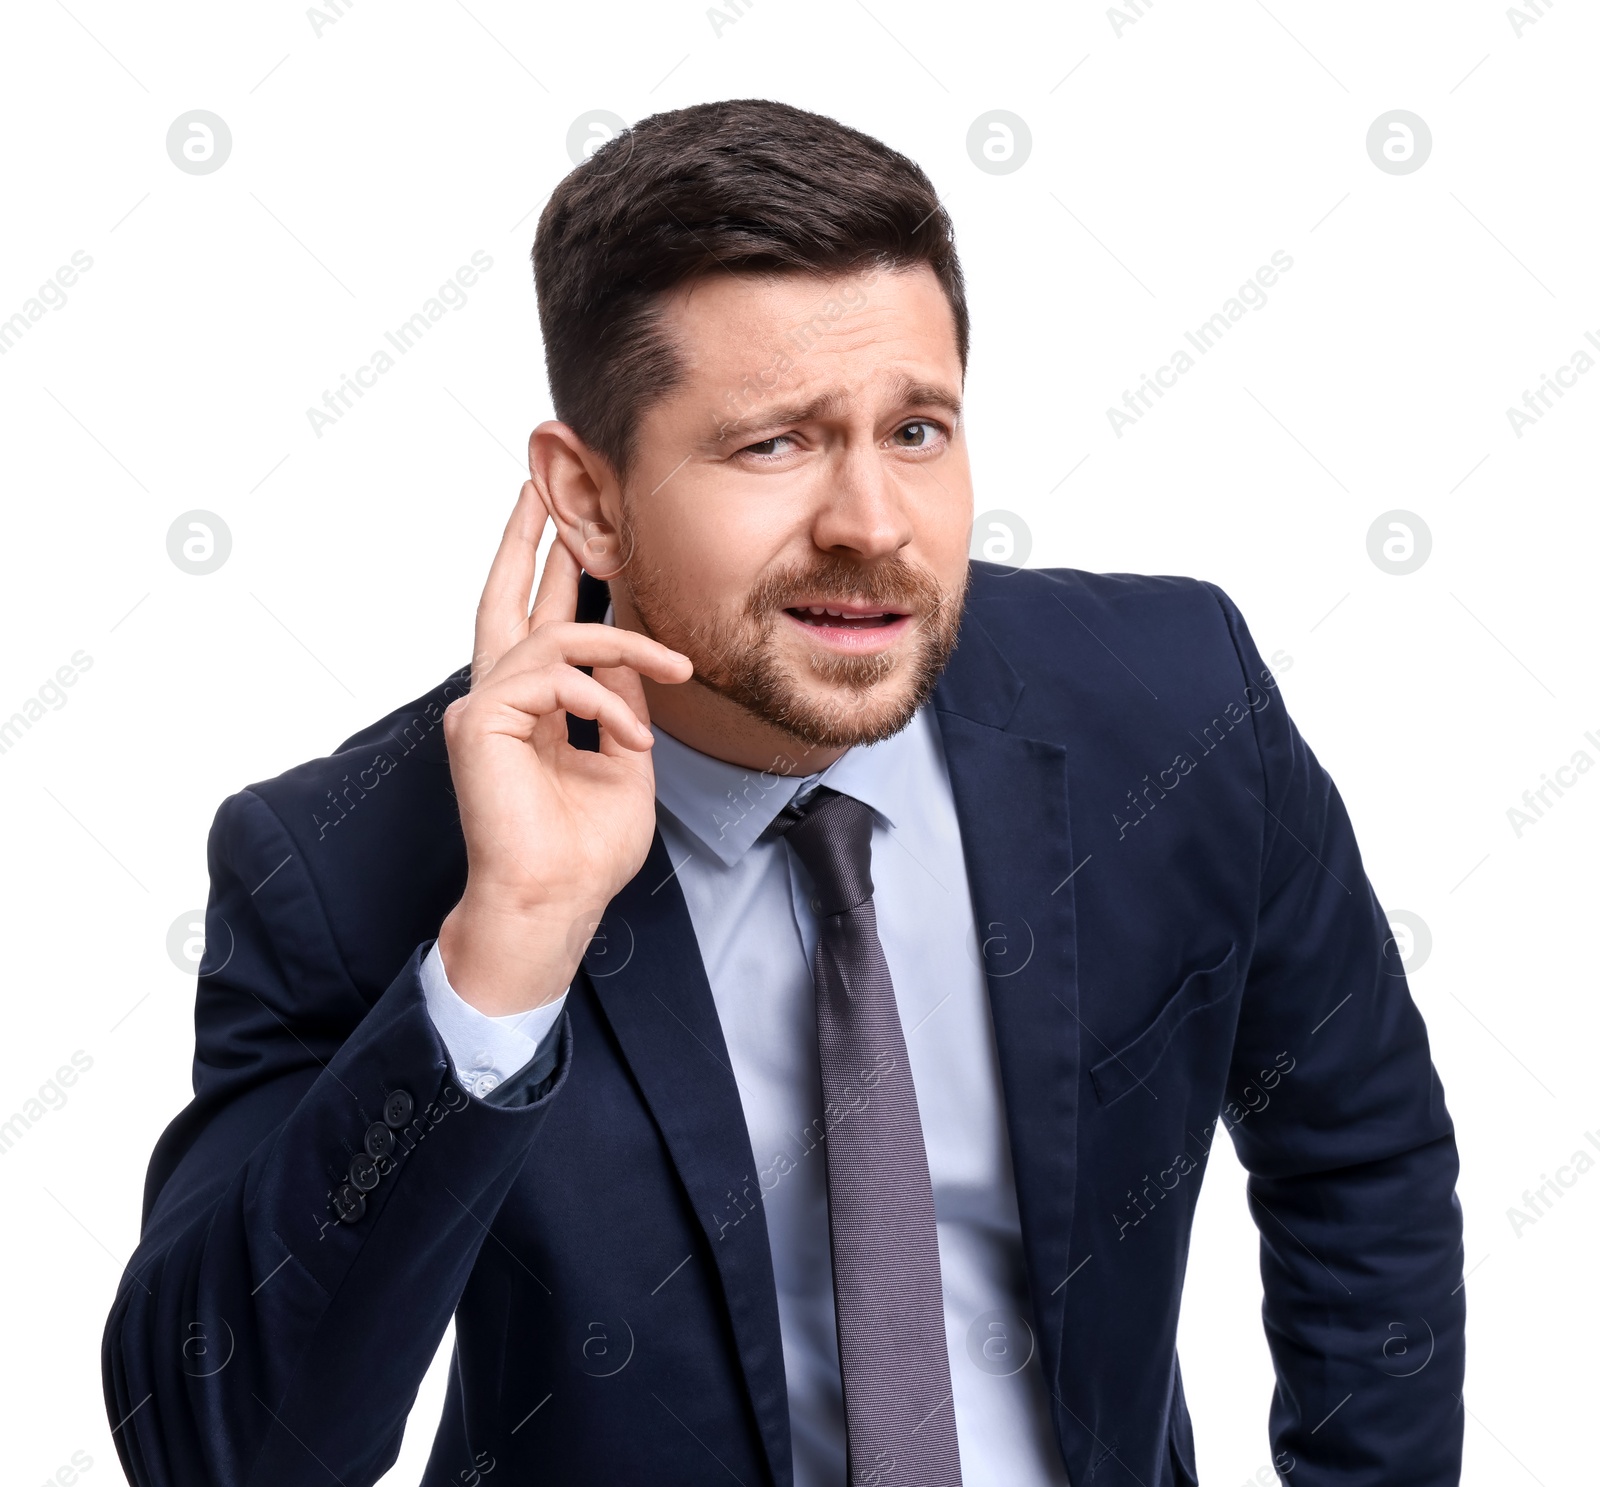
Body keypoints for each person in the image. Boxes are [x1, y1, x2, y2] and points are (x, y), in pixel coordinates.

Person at [103, 98, 1464, 1487]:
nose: (873, 524)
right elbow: (218, 1450)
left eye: (918, 431)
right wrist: (510, 944)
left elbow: (1360, 1152)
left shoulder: (1173, 709)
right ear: (587, 496)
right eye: (775, 445)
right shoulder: (345, 863)